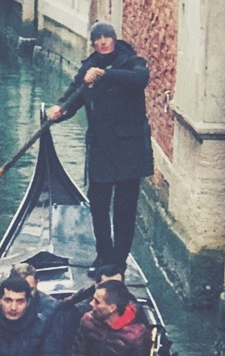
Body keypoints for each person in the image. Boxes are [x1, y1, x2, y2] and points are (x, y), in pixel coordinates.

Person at [47, 21, 154, 276]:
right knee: (98, 205)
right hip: (101, 149)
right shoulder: (87, 69)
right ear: (93, 43)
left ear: (114, 39)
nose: (103, 42)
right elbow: (73, 98)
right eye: (98, 38)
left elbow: (141, 79)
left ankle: (118, 262)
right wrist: (58, 111)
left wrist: (106, 74)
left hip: (129, 150)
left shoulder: (132, 62)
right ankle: (103, 254)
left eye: (107, 37)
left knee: (124, 209)